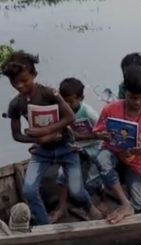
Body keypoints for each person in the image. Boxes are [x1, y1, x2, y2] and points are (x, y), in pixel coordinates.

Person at [1, 51, 97, 225]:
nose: (20, 86)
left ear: (34, 75)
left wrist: (49, 132)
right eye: (14, 83)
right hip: (42, 151)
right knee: (29, 190)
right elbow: (16, 135)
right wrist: (37, 139)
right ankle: (45, 226)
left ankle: (89, 206)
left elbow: (70, 117)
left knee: (76, 190)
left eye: (24, 80)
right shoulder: (16, 104)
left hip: (66, 147)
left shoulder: (50, 94)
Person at [94, 65, 141, 223]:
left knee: (139, 206)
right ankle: (124, 203)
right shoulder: (110, 109)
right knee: (102, 159)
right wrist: (103, 136)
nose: (138, 102)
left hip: (135, 158)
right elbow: (97, 132)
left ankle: (128, 203)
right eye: (133, 97)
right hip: (113, 152)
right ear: (124, 91)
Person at [50, 78, 103, 223]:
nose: (68, 105)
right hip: (74, 149)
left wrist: (80, 137)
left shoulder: (89, 112)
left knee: (92, 182)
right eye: (64, 101)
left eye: (71, 101)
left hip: (94, 148)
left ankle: (95, 201)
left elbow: (103, 133)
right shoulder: (61, 112)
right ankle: (62, 208)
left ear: (81, 98)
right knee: (61, 176)